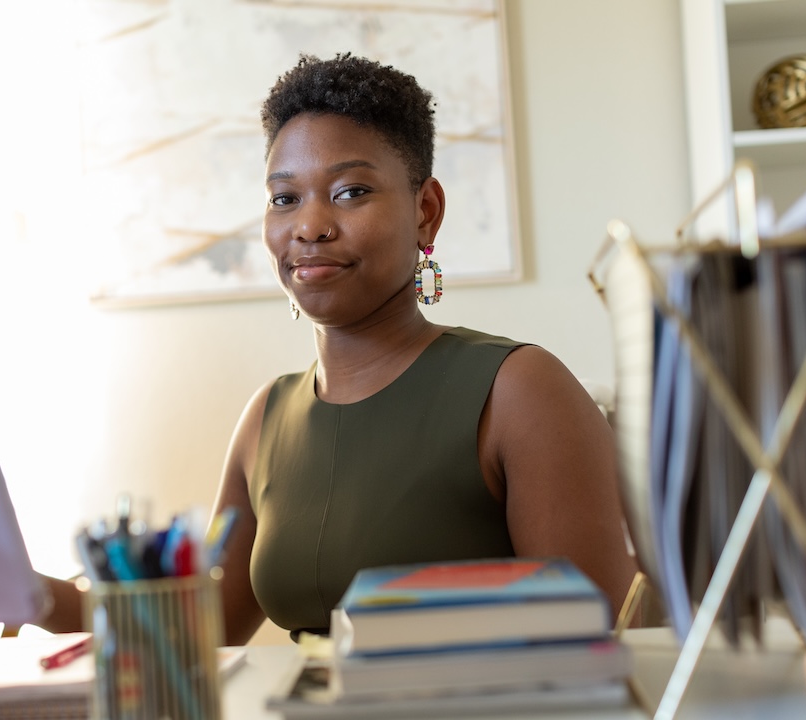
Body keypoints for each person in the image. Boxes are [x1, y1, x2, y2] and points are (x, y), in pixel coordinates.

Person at [207, 52, 639, 646]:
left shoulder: (520, 390)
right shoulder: (265, 418)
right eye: (284, 198)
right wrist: (42, 598)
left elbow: (598, 640)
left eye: (350, 191)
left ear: (425, 212)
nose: (309, 226)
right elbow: (195, 632)